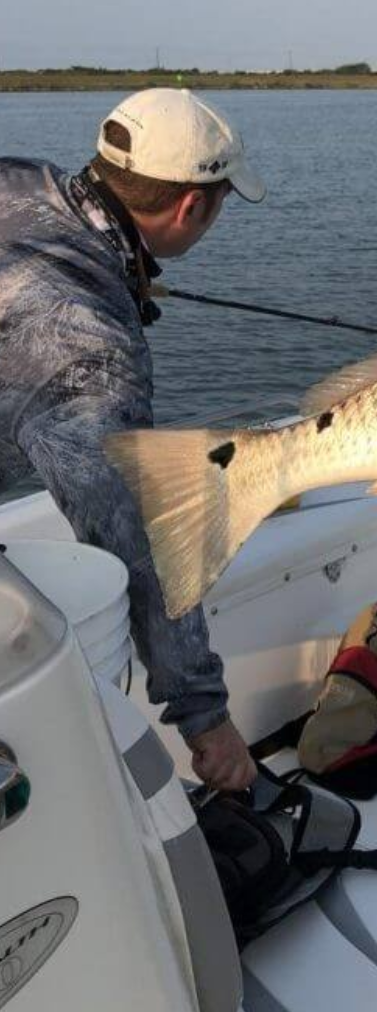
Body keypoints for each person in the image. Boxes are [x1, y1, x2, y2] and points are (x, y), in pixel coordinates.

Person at [0, 87, 266, 792]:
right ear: (191, 206)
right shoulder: (90, 356)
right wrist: (205, 718)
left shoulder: (21, 177)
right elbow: (134, 536)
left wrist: (114, 278)